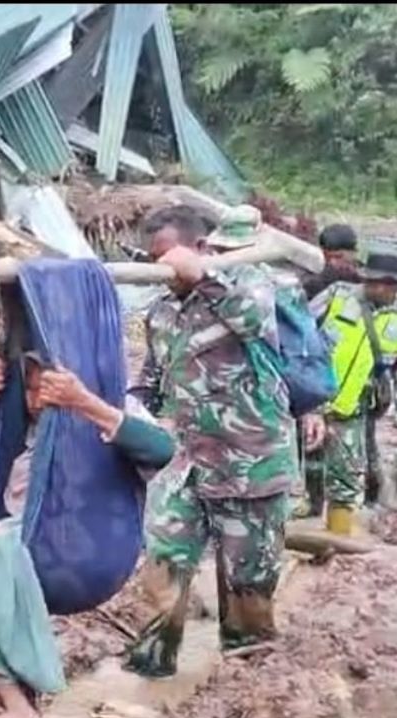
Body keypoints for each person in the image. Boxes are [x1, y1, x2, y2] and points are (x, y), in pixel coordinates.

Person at [0, 352, 174, 718]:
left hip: (82, 544)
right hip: (22, 537)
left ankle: (22, 702)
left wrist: (83, 402)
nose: (38, 399)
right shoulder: (18, 421)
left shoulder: (110, 402)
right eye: (29, 389)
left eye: (45, 387)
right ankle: (13, 699)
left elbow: (162, 449)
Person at [125, 204, 297, 678]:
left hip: (251, 462)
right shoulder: (162, 311)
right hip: (189, 462)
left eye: (166, 257)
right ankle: (153, 660)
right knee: (164, 552)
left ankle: (245, 672)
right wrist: (130, 405)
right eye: (152, 259)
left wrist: (204, 276)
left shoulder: (250, 284)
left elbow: (253, 318)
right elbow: (153, 377)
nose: (161, 269)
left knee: (248, 579)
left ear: (199, 247)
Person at [303, 252, 397, 534]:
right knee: (310, 460)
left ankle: (337, 536)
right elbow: (303, 328)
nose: (371, 287)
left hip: (353, 406)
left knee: (344, 475)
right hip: (313, 398)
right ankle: (311, 505)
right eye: (369, 281)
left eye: (379, 283)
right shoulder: (338, 296)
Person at [294, 224, 362, 517]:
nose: (336, 264)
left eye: (341, 257)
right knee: (312, 443)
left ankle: (360, 502)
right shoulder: (313, 285)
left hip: (357, 378)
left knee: (356, 446)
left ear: (353, 254)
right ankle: (314, 501)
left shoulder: (366, 285)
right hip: (318, 372)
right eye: (331, 257)